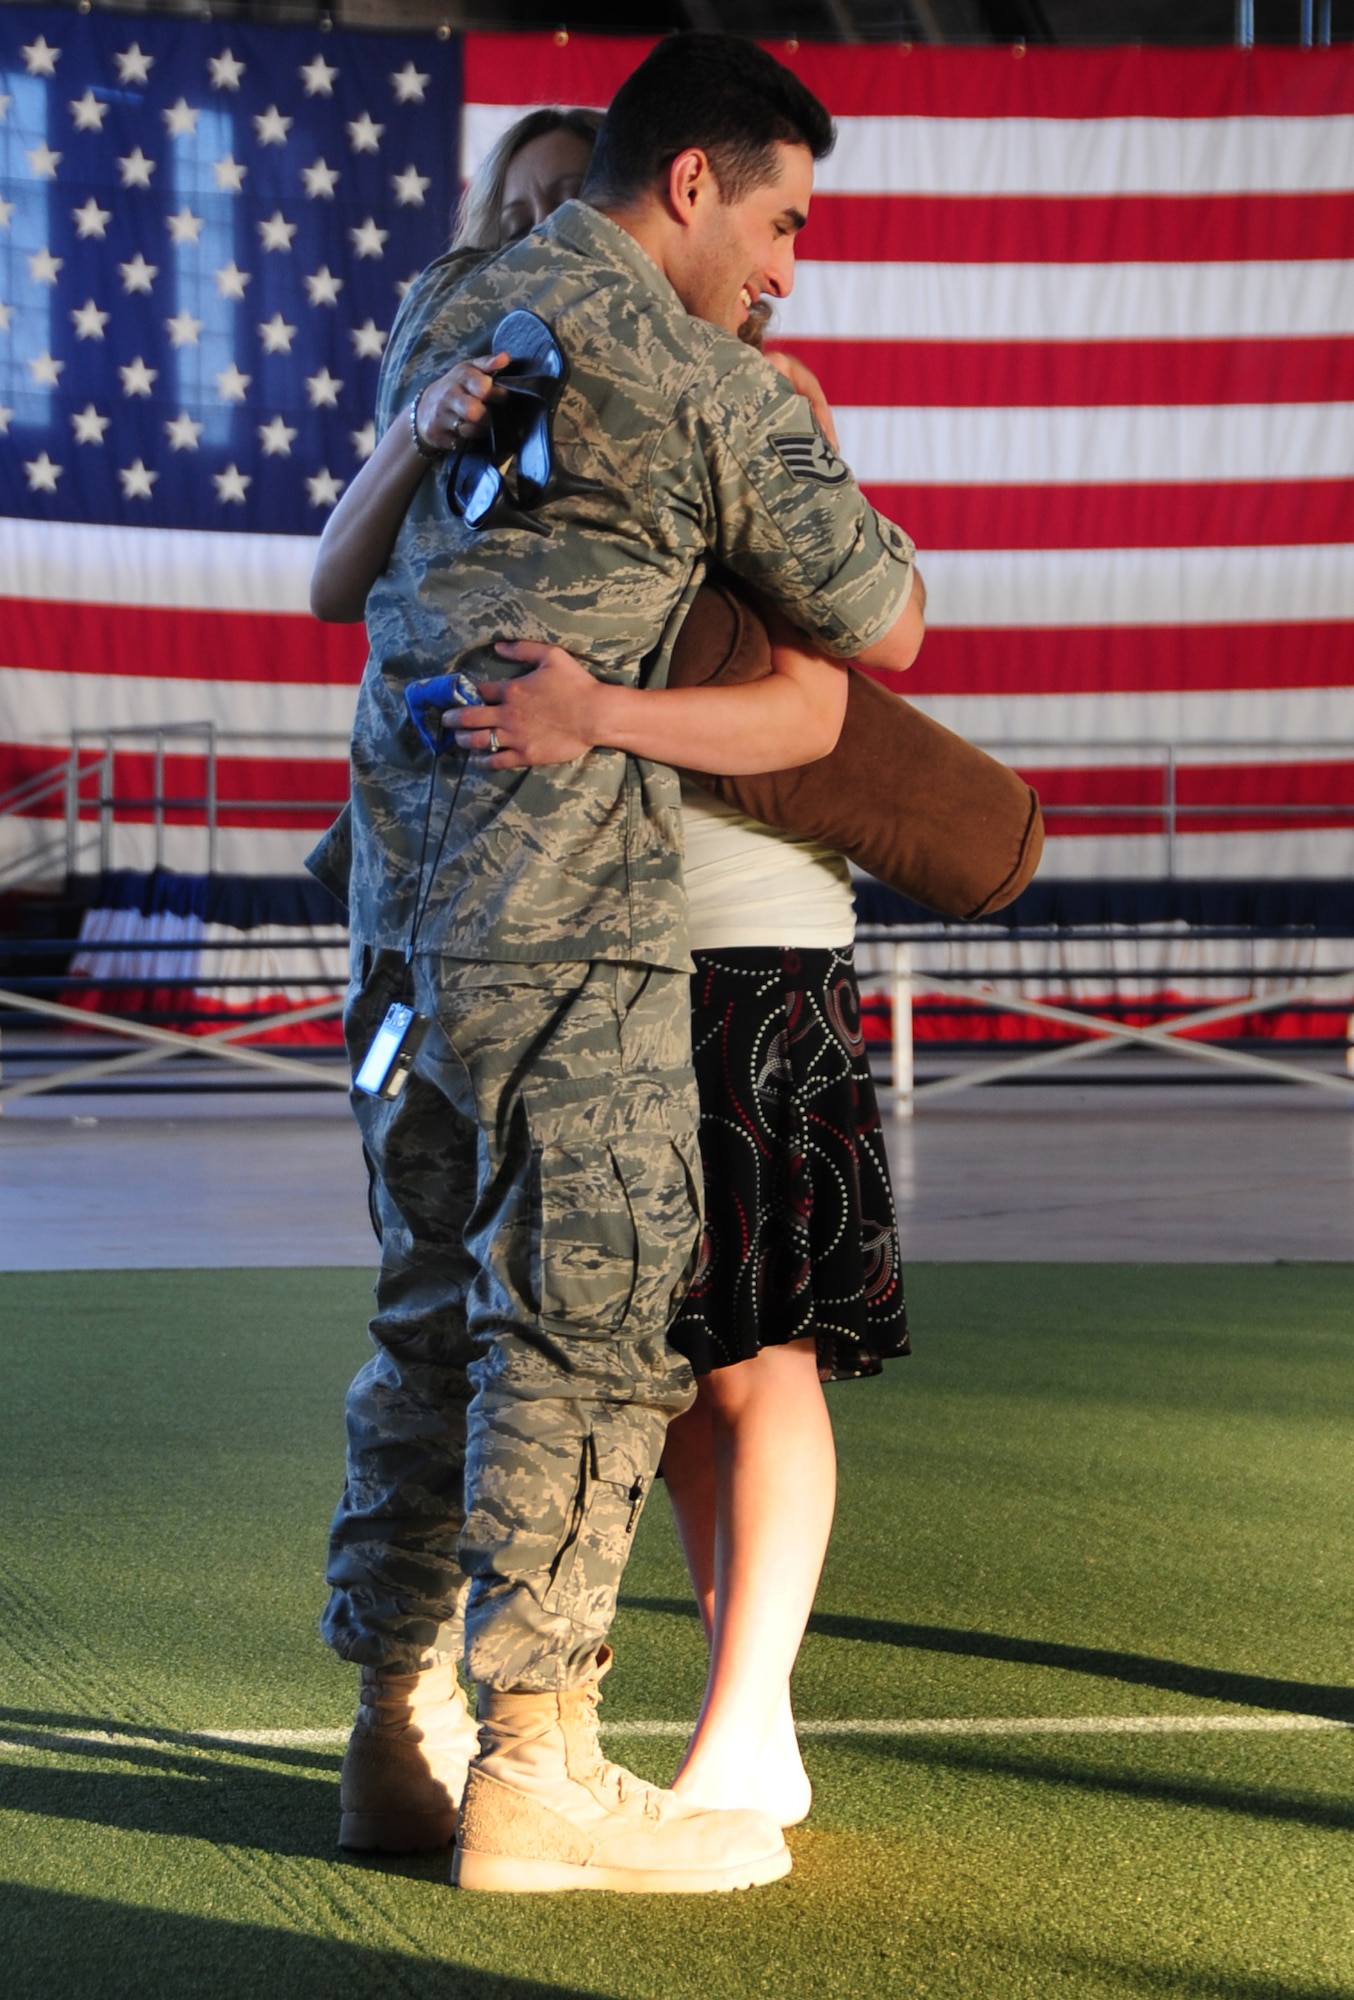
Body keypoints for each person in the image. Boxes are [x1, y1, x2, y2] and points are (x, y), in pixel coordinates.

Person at [314, 34, 922, 1896]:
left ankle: (392, 1737)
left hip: (404, 924)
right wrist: (781, 437)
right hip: (569, 933)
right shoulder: (707, 376)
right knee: (576, 1352)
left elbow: (348, 575)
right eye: (780, 217)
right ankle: (538, 1765)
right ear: (689, 182)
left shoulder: (450, 304)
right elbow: (887, 613)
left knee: (426, 1323)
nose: (787, 267)